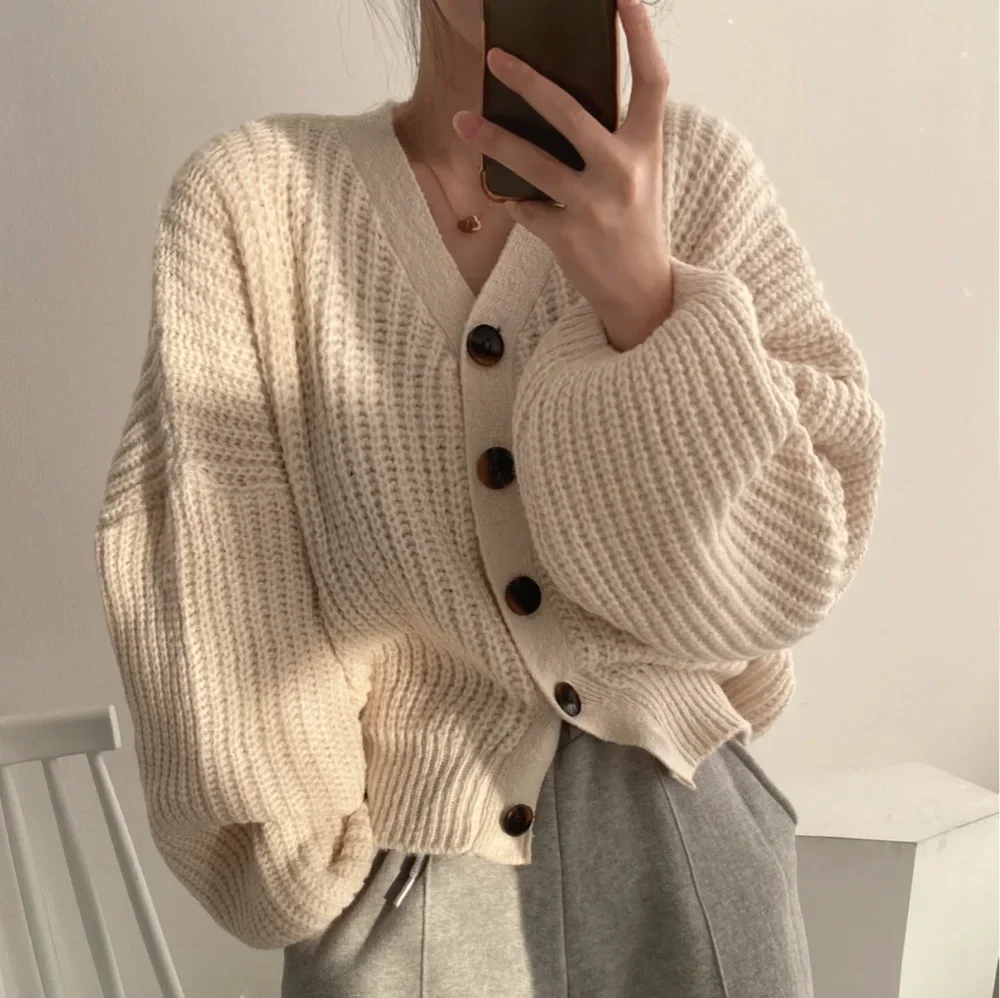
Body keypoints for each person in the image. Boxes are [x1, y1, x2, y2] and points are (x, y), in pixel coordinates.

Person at [92, 0, 885, 995]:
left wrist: (643, 299)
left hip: (687, 853)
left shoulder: (698, 176)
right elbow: (217, 558)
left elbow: (786, 566)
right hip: (407, 887)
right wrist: (305, 863)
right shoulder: (256, 200)